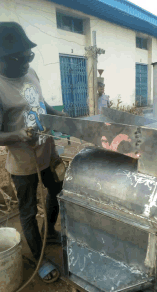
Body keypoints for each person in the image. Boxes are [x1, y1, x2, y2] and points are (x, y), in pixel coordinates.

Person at [0, 22, 67, 283]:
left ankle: (49, 231)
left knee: (57, 191)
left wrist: (55, 113)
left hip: (47, 152)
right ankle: (40, 257)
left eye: (29, 56)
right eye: (20, 58)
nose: (26, 62)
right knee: (27, 211)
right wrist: (18, 135)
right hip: (23, 162)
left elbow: (39, 101)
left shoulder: (31, 73)